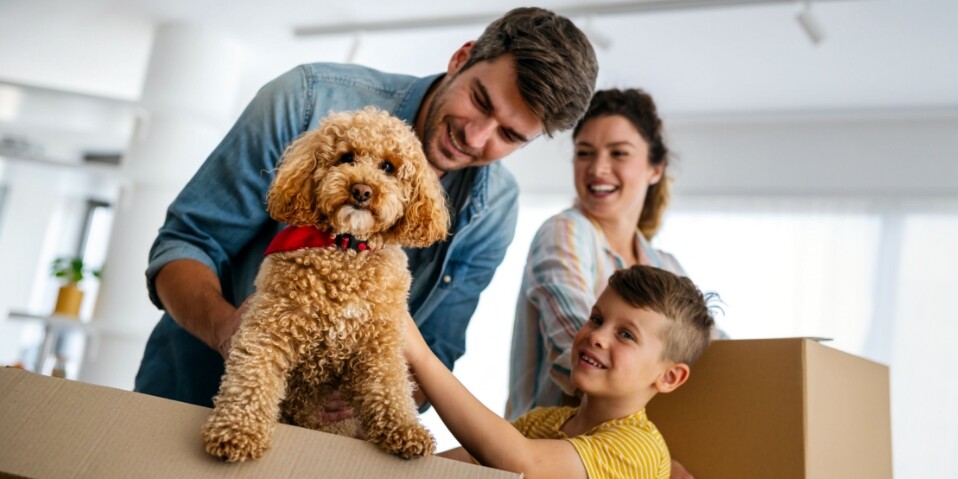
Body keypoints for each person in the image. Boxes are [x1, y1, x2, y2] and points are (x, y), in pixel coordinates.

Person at [134, 7, 598, 410]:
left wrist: (372, 397)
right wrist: (228, 332)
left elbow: (438, 347)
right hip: (191, 398)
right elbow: (187, 243)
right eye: (479, 101)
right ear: (462, 57)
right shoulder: (305, 101)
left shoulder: (496, 207)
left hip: (322, 450)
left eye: (510, 136)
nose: (475, 138)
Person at [404, 265, 716, 478]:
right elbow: (441, 468)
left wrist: (419, 354)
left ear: (669, 377)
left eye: (626, 335)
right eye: (596, 319)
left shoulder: (638, 447)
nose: (597, 336)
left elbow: (522, 463)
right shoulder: (544, 422)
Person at [507, 88, 688, 420]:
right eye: (585, 153)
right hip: (543, 451)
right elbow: (576, 352)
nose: (598, 169)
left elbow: (705, 352)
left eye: (619, 153)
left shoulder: (667, 266)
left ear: (655, 169)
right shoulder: (565, 232)